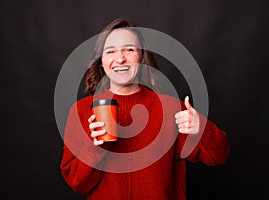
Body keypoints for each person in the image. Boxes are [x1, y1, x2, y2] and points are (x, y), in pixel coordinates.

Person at [60, 18, 230, 200]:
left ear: (141, 57)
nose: (120, 58)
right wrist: (94, 148)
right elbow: (77, 183)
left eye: (129, 49)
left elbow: (219, 156)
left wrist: (201, 129)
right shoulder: (82, 110)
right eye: (110, 51)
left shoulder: (171, 109)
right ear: (101, 61)